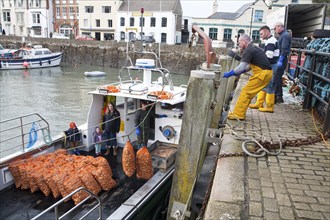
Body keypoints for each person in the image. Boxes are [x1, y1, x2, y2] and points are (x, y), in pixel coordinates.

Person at [223, 34, 272, 120]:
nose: (239, 45)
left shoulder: (248, 50)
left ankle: (238, 114)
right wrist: (243, 71)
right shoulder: (254, 48)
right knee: (248, 93)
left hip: (262, 74)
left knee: (246, 92)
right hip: (265, 73)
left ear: (244, 41)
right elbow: (251, 65)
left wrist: (230, 73)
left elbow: (241, 67)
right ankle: (240, 112)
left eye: (239, 43)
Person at [249, 25, 279, 113]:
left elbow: (269, 56)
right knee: (264, 83)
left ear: (266, 31)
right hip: (272, 65)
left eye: (261, 34)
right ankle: (259, 103)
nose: (260, 36)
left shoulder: (270, 41)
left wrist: (262, 65)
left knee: (269, 85)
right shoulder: (270, 40)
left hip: (271, 65)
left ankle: (269, 106)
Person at [273, 21, 292, 103]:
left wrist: (280, 60)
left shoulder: (285, 35)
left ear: (280, 27)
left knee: (277, 77)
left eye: (275, 28)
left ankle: (278, 97)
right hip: (281, 58)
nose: (274, 30)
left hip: (282, 59)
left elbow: (284, 49)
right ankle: (277, 96)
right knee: (277, 77)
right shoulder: (283, 35)